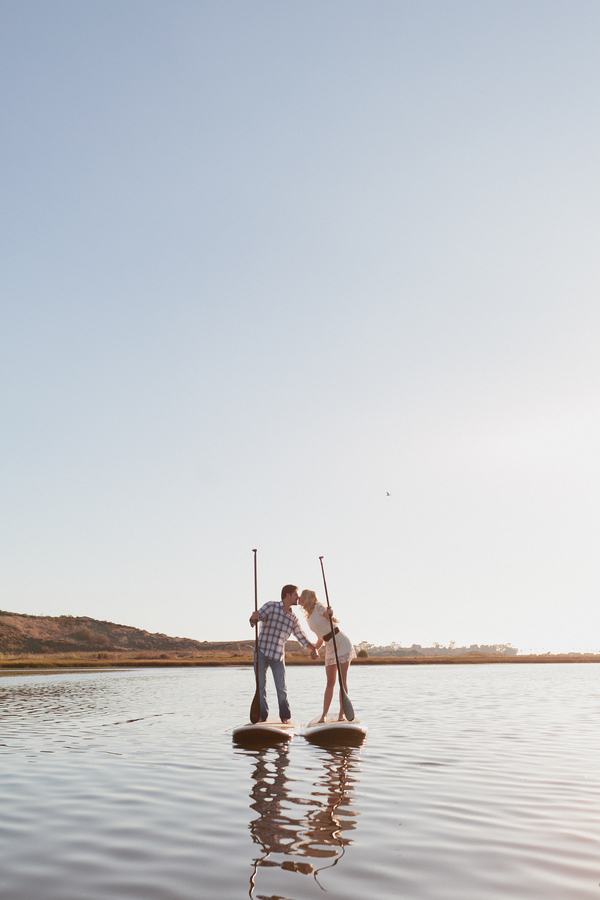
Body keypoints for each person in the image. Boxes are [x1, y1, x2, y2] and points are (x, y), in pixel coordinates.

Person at [250, 584, 319, 723]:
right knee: (261, 686)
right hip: (261, 652)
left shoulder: (293, 618)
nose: (298, 597)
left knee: (282, 688)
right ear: (287, 595)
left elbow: (301, 636)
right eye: (296, 595)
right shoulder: (271, 606)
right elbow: (255, 620)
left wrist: (313, 648)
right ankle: (262, 716)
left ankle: (285, 717)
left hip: (278, 656)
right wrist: (253, 617)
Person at [298, 589, 355, 722]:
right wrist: (315, 649)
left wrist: (330, 614)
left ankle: (342, 714)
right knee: (330, 682)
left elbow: (329, 617)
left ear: (307, 598)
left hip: (340, 642)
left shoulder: (318, 607)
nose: (299, 598)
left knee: (342, 681)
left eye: (301, 596)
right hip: (329, 646)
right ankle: (324, 715)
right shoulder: (308, 618)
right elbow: (320, 639)